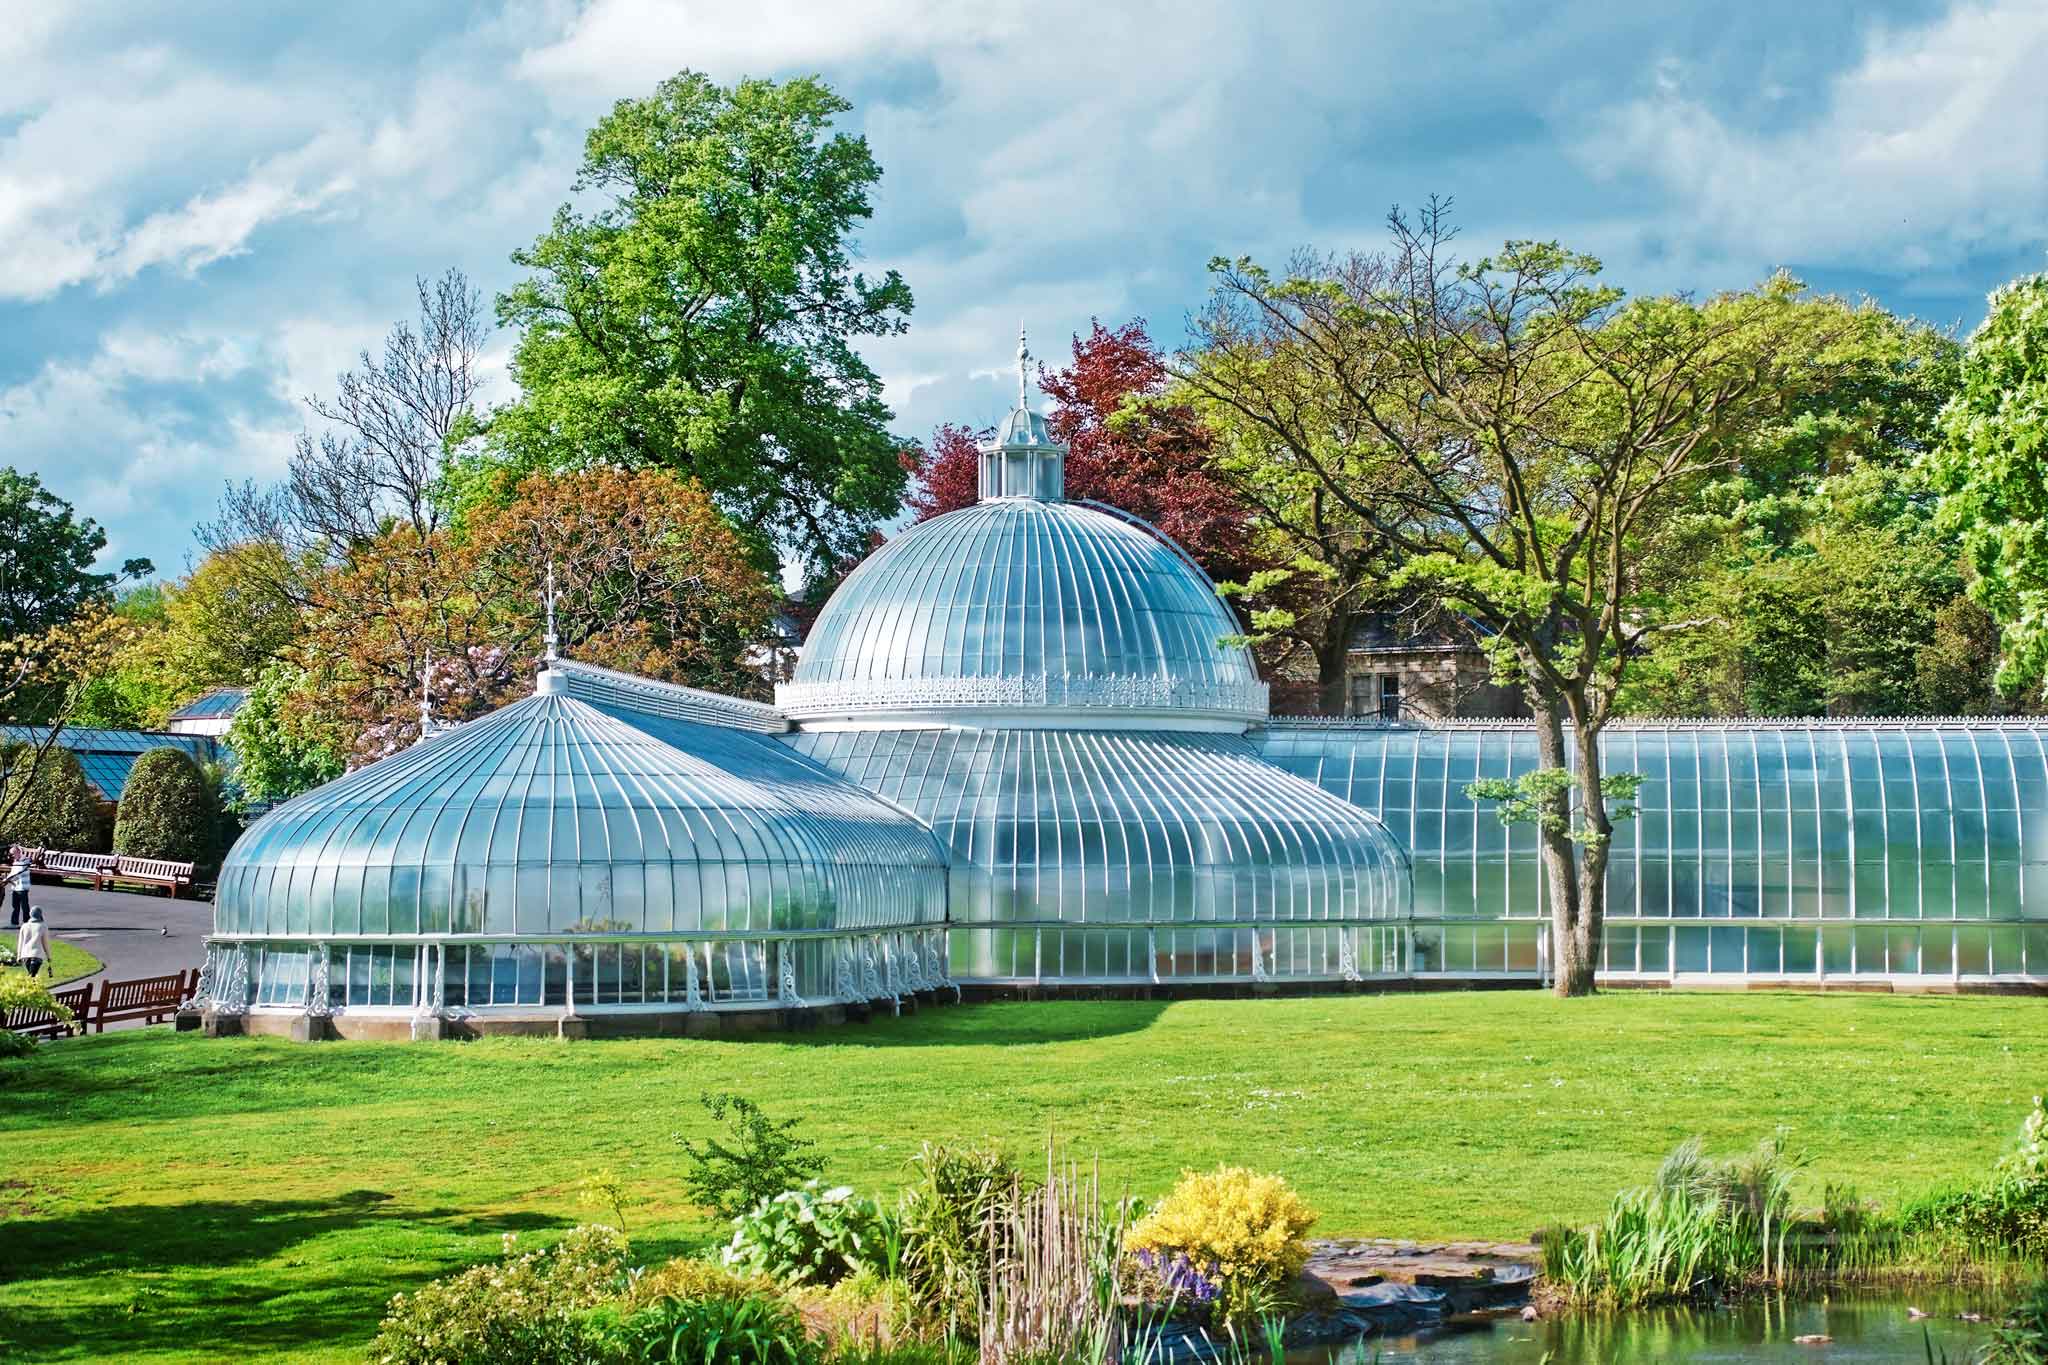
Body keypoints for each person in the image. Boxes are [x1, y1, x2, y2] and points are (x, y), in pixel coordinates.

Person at [15, 906, 48, 980]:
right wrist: (48, 956)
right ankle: (33, 989)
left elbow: (20, 942)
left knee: (31, 975)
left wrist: (19, 956)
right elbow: (45, 943)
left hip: (25, 955)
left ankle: (31, 988)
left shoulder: (24, 926)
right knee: (32, 976)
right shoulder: (43, 926)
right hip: (37, 955)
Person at [7, 846, 27, 927]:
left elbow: (18, 872)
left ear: (18, 852)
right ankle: (14, 923)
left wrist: (8, 879)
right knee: (15, 906)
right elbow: (12, 873)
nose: (12, 856)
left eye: (13, 854)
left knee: (24, 906)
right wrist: (7, 878)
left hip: (23, 886)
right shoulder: (15, 862)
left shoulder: (25, 860)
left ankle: (27, 922)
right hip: (15, 887)